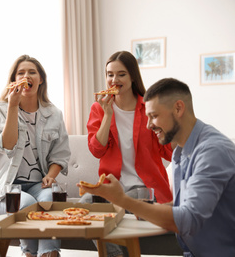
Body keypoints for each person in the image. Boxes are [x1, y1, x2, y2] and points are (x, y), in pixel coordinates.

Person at [79, 78, 235, 257]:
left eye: (153, 116)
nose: (148, 125)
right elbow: (181, 205)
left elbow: (188, 219)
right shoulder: (180, 152)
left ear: (178, 108)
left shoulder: (213, 151)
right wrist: (137, 208)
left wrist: (122, 200)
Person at [0, 54, 71, 257]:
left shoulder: (54, 114)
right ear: (14, 81)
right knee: (29, 203)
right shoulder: (2, 109)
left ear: (41, 80)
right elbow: (8, 146)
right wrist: (13, 106)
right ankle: (30, 253)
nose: (26, 75)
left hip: (38, 184)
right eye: (20, 73)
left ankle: (49, 254)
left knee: (51, 201)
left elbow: (61, 153)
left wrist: (51, 175)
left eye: (32, 72)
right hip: (5, 187)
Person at [85, 51, 173, 204]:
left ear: (132, 77)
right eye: (110, 75)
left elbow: (168, 152)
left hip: (144, 186)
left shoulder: (150, 108)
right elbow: (96, 151)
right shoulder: (98, 108)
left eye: (121, 75)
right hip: (112, 186)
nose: (114, 80)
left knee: (125, 203)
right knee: (84, 204)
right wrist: (107, 115)